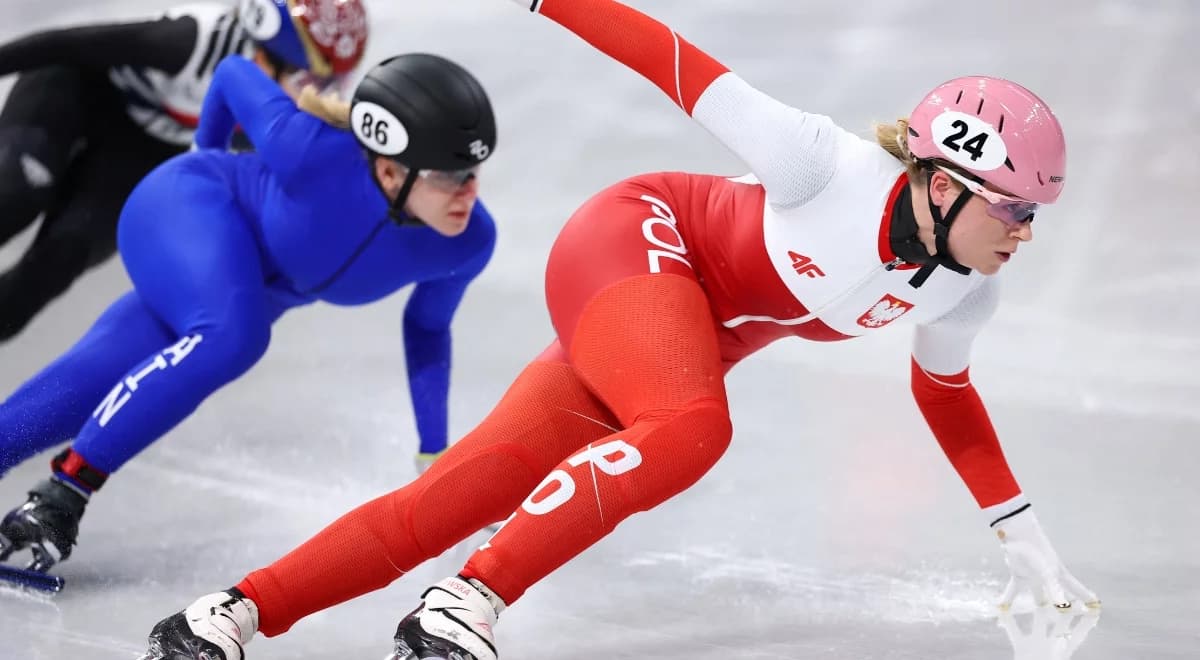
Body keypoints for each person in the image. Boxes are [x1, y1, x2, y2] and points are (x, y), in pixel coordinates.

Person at [136, 1, 1100, 659]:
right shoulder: (821, 166)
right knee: (694, 426)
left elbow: (947, 395)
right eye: (1015, 210)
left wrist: (1022, 536)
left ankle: (226, 614)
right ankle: (468, 600)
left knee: (459, 494)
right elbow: (671, 60)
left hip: (663, 336)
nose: (1025, 234)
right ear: (943, 184)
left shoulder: (963, 291)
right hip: (634, 243)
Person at [0, 49, 498, 577]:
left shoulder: (467, 242)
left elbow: (426, 327)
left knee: (96, 377)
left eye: (473, 171)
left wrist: (432, 453)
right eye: (450, 175)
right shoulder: (311, 150)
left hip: (234, 288)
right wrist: (204, 152)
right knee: (234, 336)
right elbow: (234, 72)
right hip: (189, 207)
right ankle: (62, 496)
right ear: (391, 169)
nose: (469, 191)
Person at [0, 0, 368, 342]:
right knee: (17, 196)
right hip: (74, 89)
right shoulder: (195, 43)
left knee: (58, 261)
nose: (312, 97)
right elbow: (65, 46)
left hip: (143, 146)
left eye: (328, 86)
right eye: (308, 81)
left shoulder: (280, 98)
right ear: (265, 52)